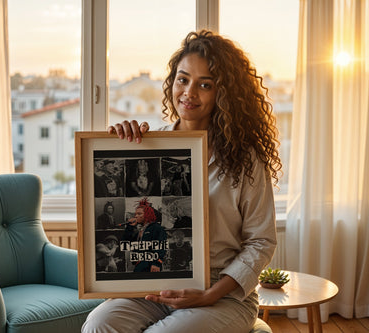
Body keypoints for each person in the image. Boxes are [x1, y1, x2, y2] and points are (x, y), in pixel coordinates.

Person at [82, 30, 281, 333]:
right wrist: (120, 146)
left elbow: (261, 241)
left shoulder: (246, 158)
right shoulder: (148, 144)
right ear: (172, 81)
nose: (189, 92)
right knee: (99, 323)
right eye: (182, 79)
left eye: (205, 84)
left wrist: (209, 294)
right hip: (158, 281)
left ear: (223, 94)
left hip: (222, 292)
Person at [123, 198, 167, 272]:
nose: (136, 216)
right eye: (135, 214)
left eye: (139, 214)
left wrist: (157, 263)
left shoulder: (156, 228)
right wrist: (129, 227)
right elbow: (126, 242)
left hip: (151, 266)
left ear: (147, 215)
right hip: (139, 265)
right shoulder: (139, 230)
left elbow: (161, 247)